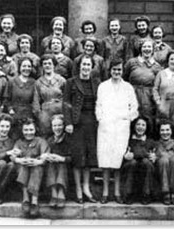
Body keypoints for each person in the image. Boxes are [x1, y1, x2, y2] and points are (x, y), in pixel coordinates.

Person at [95, 58, 139, 204]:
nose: (116, 72)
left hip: (121, 128)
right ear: (110, 70)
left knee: (118, 160)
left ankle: (117, 192)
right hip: (106, 127)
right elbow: (98, 105)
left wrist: (127, 119)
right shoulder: (103, 86)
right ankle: (106, 192)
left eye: (119, 70)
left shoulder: (128, 87)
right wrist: (101, 118)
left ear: (122, 71)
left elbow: (134, 107)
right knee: (106, 160)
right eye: (114, 69)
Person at [63, 55, 100, 204]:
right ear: (79, 67)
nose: (85, 67)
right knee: (78, 157)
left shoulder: (97, 83)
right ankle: (78, 189)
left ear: (92, 67)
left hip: (92, 123)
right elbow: (66, 103)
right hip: (77, 123)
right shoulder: (70, 82)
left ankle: (86, 187)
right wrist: (68, 122)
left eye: (88, 65)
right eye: (83, 65)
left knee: (89, 157)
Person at [124, 39, 162, 137]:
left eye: (149, 47)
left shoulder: (157, 66)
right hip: (132, 94)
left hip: (148, 97)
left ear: (153, 49)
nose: (147, 49)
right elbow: (124, 78)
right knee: (131, 118)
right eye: (144, 47)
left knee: (147, 119)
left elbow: (159, 85)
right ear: (140, 49)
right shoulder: (131, 62)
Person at [12, 118, 50, 218]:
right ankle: (25, 199)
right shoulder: (19, 142)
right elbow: (13, 155)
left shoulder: (41, 141)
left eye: (31, 130)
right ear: (22, 131)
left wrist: (38, 161)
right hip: (22, 169)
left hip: (37, 170)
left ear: (35, 129)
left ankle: (34, 200)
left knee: (36, 168)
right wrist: (19, 160)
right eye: (26, 130)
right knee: (23, 167)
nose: (28, 133)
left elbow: (45, 154)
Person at [121, 116, 156, 205]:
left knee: (146, 162)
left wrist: (153, 157)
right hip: (130, 167)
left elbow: (151, 155)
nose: (140, 127)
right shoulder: (127, 140)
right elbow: (124, 154)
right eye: (138, 124)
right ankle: (128, 194)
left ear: (146, 127)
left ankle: (146, 194)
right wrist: (126, 156)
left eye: (143, 125)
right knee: (132, 163)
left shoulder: (150, 141)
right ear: (134, 126)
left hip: (145, 168)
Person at [153, 50, 174, 141]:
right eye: (171, 59)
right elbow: (155, 89)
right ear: (168, 60)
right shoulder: (161, 74)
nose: (173, 61)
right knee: (162, 128)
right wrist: (158, 103)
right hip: (163, 105)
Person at [33, 54, 66, 137]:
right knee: (46, 135)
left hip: (59, 111)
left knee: (60, 134)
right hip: (45, 113)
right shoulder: (38, 82)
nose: (47, 66)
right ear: (42, 66)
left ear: (54, 65)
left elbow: (67, 98)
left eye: (49, 63)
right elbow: (36, 101)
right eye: (45, 64)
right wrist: (39, 115)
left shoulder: (61, 80)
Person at [5, 57, 36, 140]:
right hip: (15, 114)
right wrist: (10, 110)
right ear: (19, 67)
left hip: (28, 114)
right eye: (24, 66)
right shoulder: (12, 81)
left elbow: (35, 100)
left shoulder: (34, 82)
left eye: (29, 66)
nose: (26, 68)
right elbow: (6, 99)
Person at [153, 121, 174, 205]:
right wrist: (156, 157)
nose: (165, 133)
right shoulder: (155, 144)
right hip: (160, 173)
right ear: (159, 132)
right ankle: (165, 192)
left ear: (171, 131)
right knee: (164, 160)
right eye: (162, 130)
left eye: (167, 130)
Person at [46, 115, 72, 208]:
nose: (57, 128)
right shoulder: (50, 140)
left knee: (61, 164)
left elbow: (74, 157)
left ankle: (61, 192)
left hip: (67, 170)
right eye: (54, 126)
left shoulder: (69, 139)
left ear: (64, 126)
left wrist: (62, 158)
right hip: (52, 169)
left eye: (60, 125)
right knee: (51, 164)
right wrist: (49, 157)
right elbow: (45, 153)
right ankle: (54, 192)